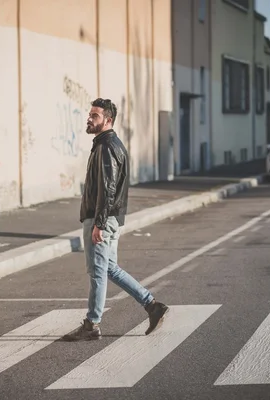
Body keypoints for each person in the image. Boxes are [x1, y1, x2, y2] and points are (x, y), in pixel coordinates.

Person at [62, 98, 169, 342]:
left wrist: (99, 223)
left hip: (102, 219)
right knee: (109, 268)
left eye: (95, 115)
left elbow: (107, 188)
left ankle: (92, 324)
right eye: (89, 114)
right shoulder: (107, 144)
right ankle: (152, 306)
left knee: (98, 272)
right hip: (108, 218)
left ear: (108, 120)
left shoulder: (107, 146)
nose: (89, 118)